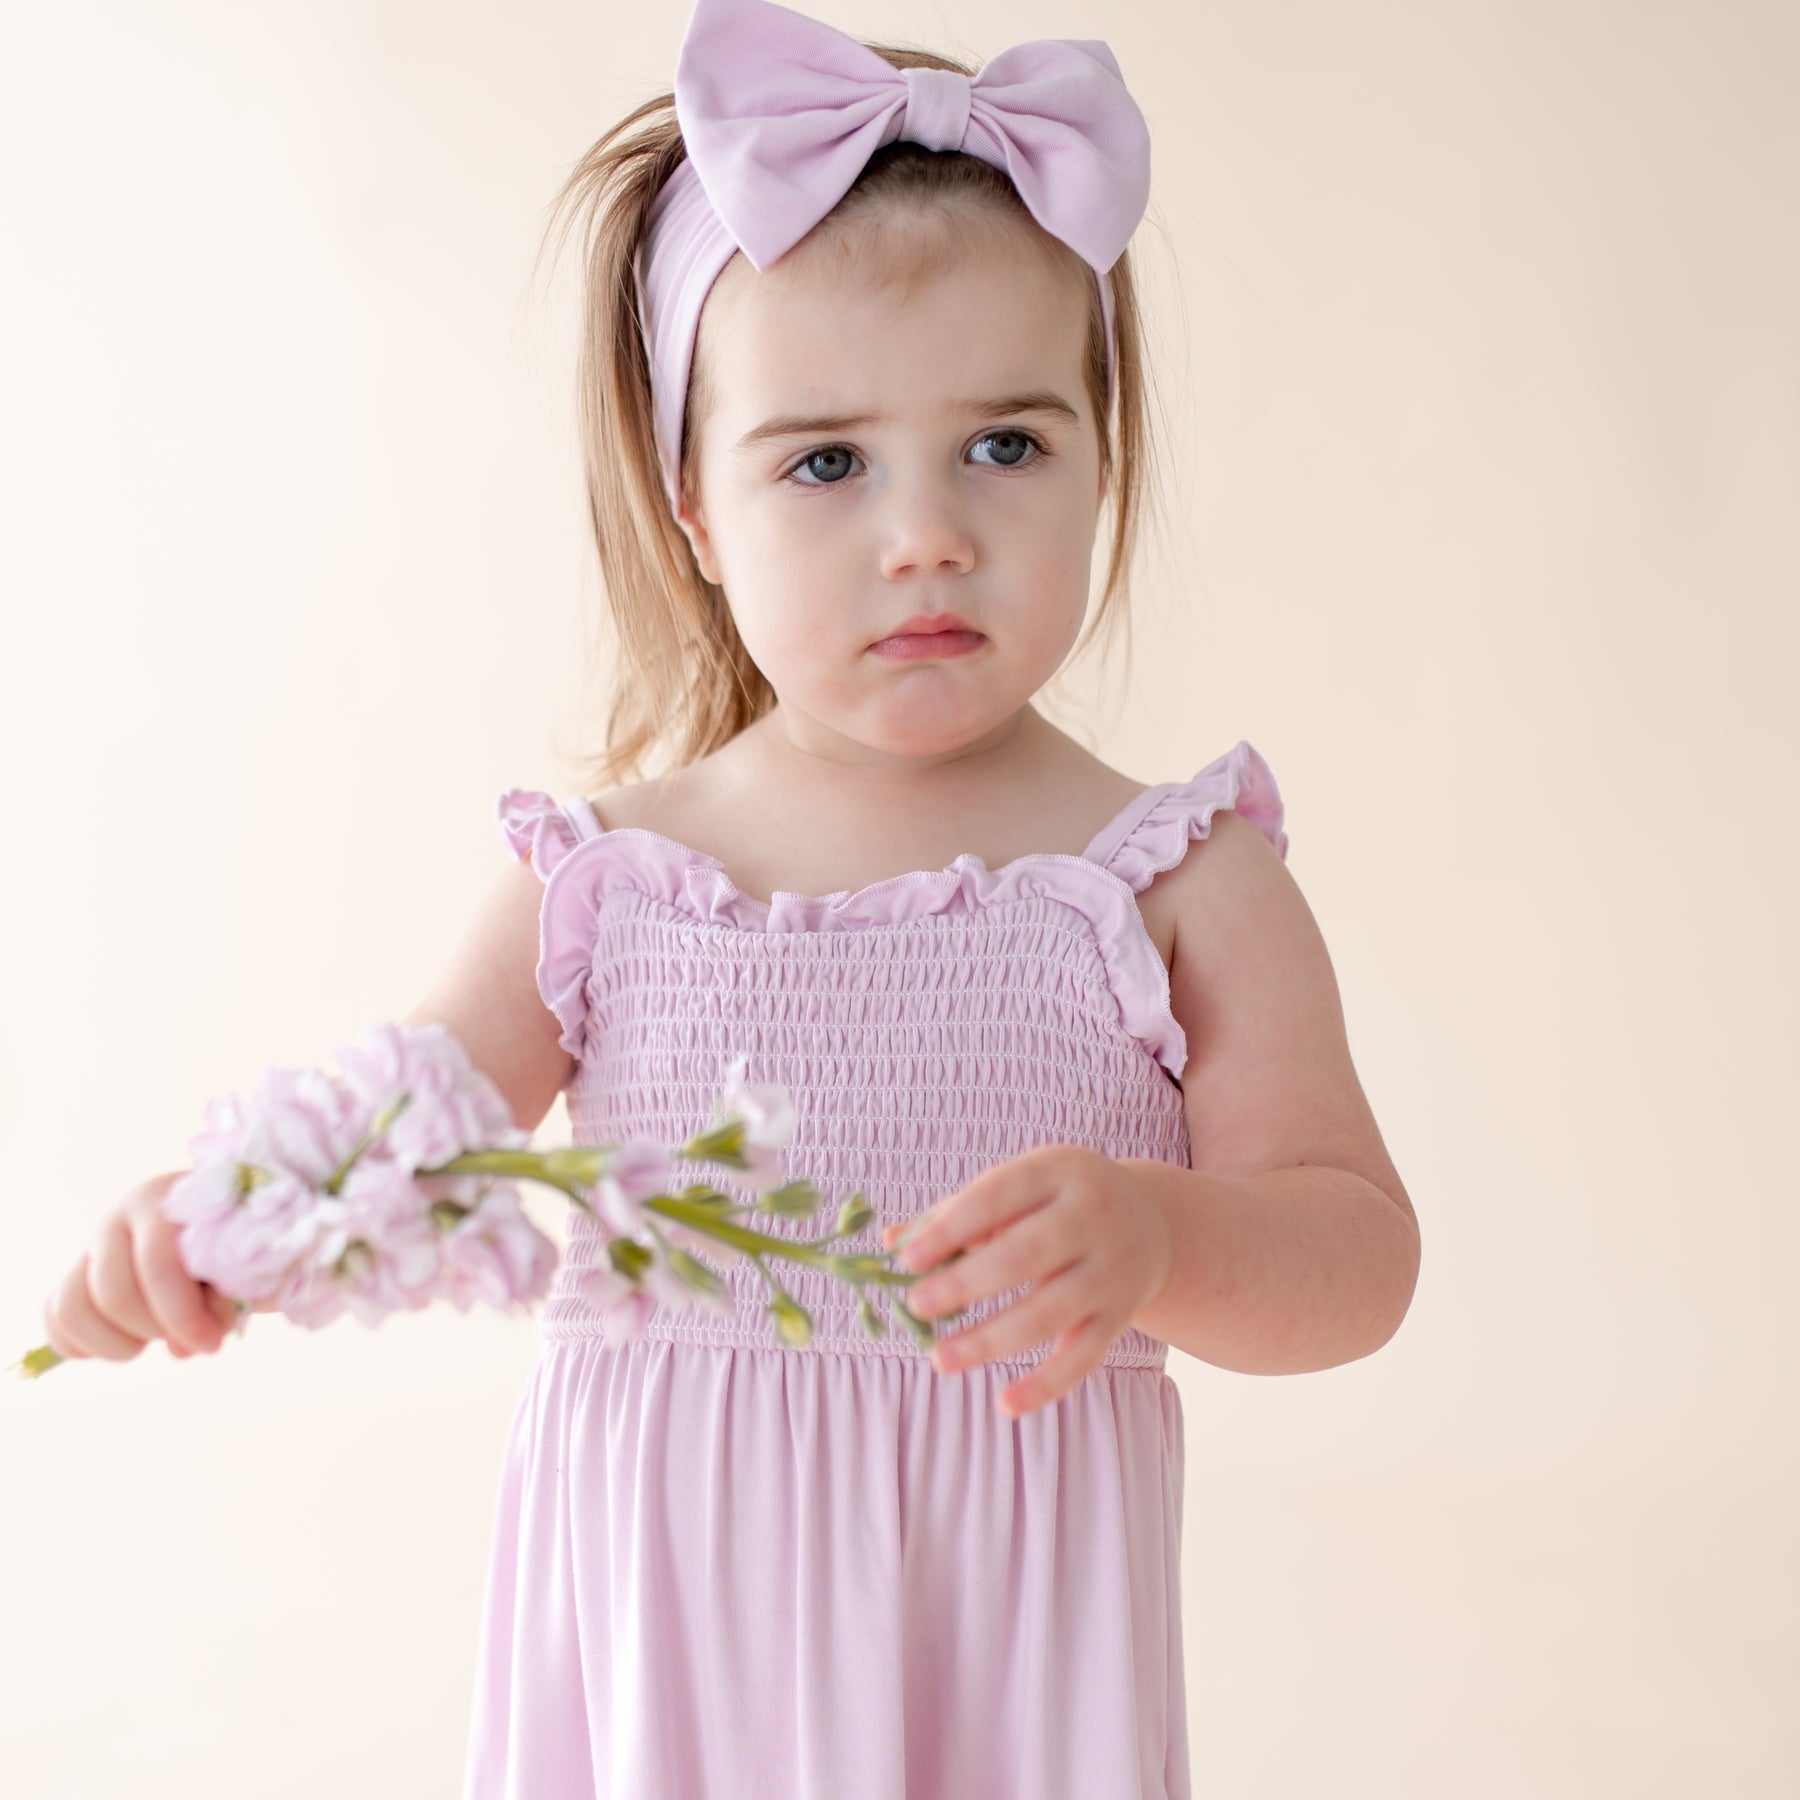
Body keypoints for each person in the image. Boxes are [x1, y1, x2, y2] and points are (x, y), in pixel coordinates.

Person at [38, 0, 1422, 1793]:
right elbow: (410, 1132)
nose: (926, 531)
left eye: (1006, 443)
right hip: (670, 1659)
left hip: (997, 1664)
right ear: (694, 500)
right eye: (828, 462)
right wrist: (206, 1224)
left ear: (1105, 455)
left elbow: (1359, 1254)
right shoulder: (610, 889)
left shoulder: (1170, 879)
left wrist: (1166, 1239)